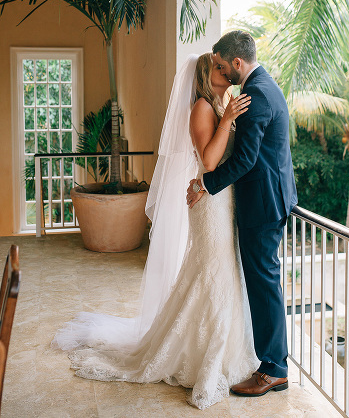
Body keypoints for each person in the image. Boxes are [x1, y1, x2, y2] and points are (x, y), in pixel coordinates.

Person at [53, 53, 258, 409]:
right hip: (209, 203)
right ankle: (203, 355)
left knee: (219, 274)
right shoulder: (201, 109)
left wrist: (229, 117)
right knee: (213, 274)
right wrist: (227, 120)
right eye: (218, 69)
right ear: (205, 76)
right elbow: (208, 161)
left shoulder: (220, 103)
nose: (226, 72)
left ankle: (223, 350)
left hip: (224, 200)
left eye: (226, 68)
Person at [187, 29, 298, 398]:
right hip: (269, 197)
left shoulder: (256, 94)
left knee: (264, 282)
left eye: (221, 65)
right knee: (262, 279)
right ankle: (272, 362)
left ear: (237, 62)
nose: (218, 70)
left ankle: (274, 369)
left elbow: (248, 158)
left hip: (263, 202)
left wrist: (206, 183)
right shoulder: (265, 86)